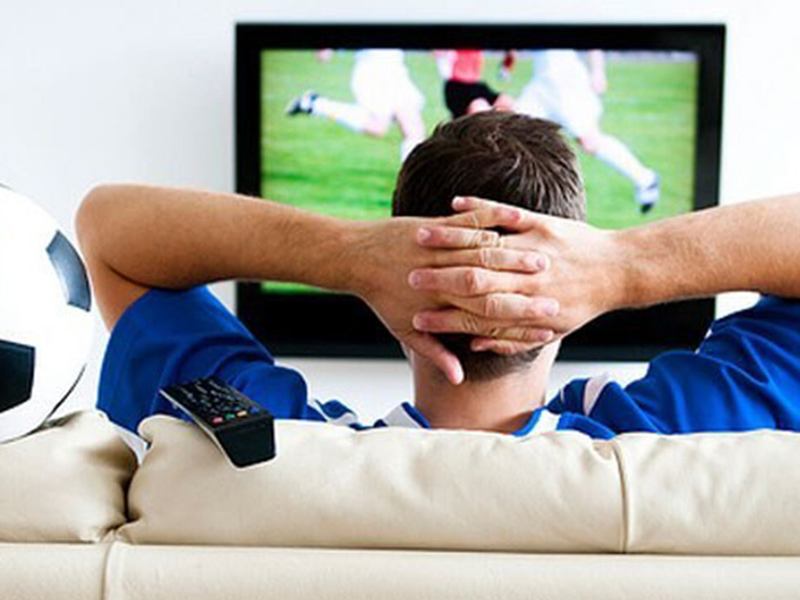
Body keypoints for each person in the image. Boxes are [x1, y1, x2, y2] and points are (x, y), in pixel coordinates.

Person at [77, 111, 800, 439]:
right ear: (565, 288)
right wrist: (620, 266)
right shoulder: (677, 441)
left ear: (395, 292)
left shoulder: (277, 446)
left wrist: (346, 253)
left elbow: (107, 230)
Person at [514, 50, 661, 213]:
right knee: (514, 129)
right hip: (542, 83)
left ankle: (645, 179)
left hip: (565, 81)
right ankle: (524, 198)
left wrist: (598, 71)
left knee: (590, 141)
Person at [286, 49, 426, 162]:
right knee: (378, 128)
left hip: (397, 71)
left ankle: (413, 182)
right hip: (373, 73)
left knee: (414, 130)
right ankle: (316, 104)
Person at [434, 49, 515, 118]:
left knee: (508, 103)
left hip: (476, 85)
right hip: (457, 86)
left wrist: (506, 67)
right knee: (481, 109)